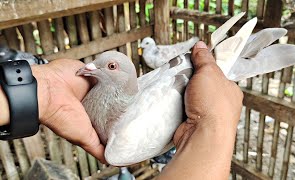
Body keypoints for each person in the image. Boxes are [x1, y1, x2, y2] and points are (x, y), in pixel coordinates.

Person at [0, 41, 243, 179]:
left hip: (189, 80)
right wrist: (45, 89)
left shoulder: (123, 143)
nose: (90, 66)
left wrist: (216, 126)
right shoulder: (106, 94)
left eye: (111, 66)